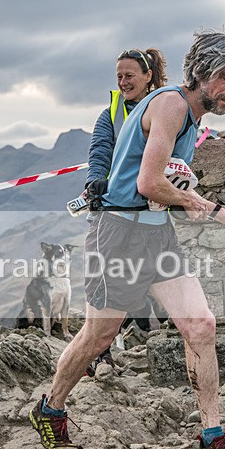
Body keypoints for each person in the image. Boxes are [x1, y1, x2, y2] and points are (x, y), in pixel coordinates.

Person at [30, 26, 225, 449]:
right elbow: (147, 183)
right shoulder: (173, 105)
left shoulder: (193, 116)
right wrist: (220, 211)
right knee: (97, 338)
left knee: (200, 324)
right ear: (203, 72)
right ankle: (51, 407)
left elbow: (160, 186)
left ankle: (213, 437)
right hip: (117, 235)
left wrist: (180, 195)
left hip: (156, 235)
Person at [84, 47, 168, 377]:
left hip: (153, 213)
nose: (123, 82)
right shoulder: (110, 114)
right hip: (115, 213)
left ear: (148, 77)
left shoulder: (165, 107)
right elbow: (100, 151)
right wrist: (95, 181)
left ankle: (154, 343)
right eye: (119, 76)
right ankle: (100, 355)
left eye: (129, 76)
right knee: (105, 283)